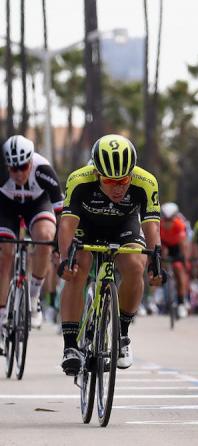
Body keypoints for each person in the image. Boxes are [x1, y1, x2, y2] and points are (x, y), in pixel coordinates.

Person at [57, 134, 163, 374]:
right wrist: (65, 259)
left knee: (136, 266)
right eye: (110, 181)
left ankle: (122, 335)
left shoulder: (145, 182)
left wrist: (156, 262)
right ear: (97, 174)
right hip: (87, 225)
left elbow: (152, 227)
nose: (118, 187)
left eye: (124, 180)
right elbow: (66, 226)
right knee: (77, 267)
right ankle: (71, 346)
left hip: (123, 226)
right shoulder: (79, 180)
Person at [0, 135, 63, 333]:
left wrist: (58, 244)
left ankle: (34, 298)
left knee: (44, 237)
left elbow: (61, 212)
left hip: (37, 205)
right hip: (7, 207)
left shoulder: (43, 169)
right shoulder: (1, 172)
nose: (18, 173)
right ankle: (2, 316)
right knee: (5, 254)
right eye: (13, 168)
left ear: (30, 161)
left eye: (23, 167)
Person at [160, 202, 190, 318]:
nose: (167, 222)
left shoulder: (179, 225)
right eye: (165, 219)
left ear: (174, 218)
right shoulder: (159, 225)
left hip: (177, 247)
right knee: (160, 264)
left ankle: (181, 302)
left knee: (178, 269)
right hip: (164, 246)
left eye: (170, 219)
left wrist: (184, 259)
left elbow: (183, 244)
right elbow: (158, 244)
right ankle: (161, 293)